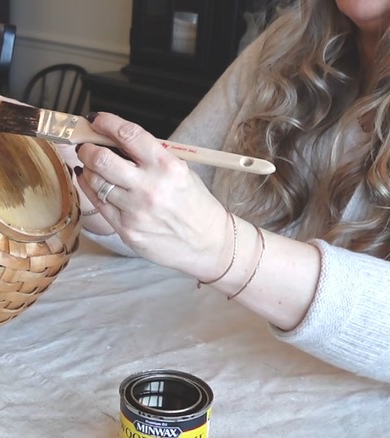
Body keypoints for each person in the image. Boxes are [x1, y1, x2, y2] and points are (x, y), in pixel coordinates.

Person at [65, 0, 390, 383]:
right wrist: (73, 167)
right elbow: (166, 220)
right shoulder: (285, 43)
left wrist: (223, 248)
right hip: (213, 360)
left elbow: (196, 237)